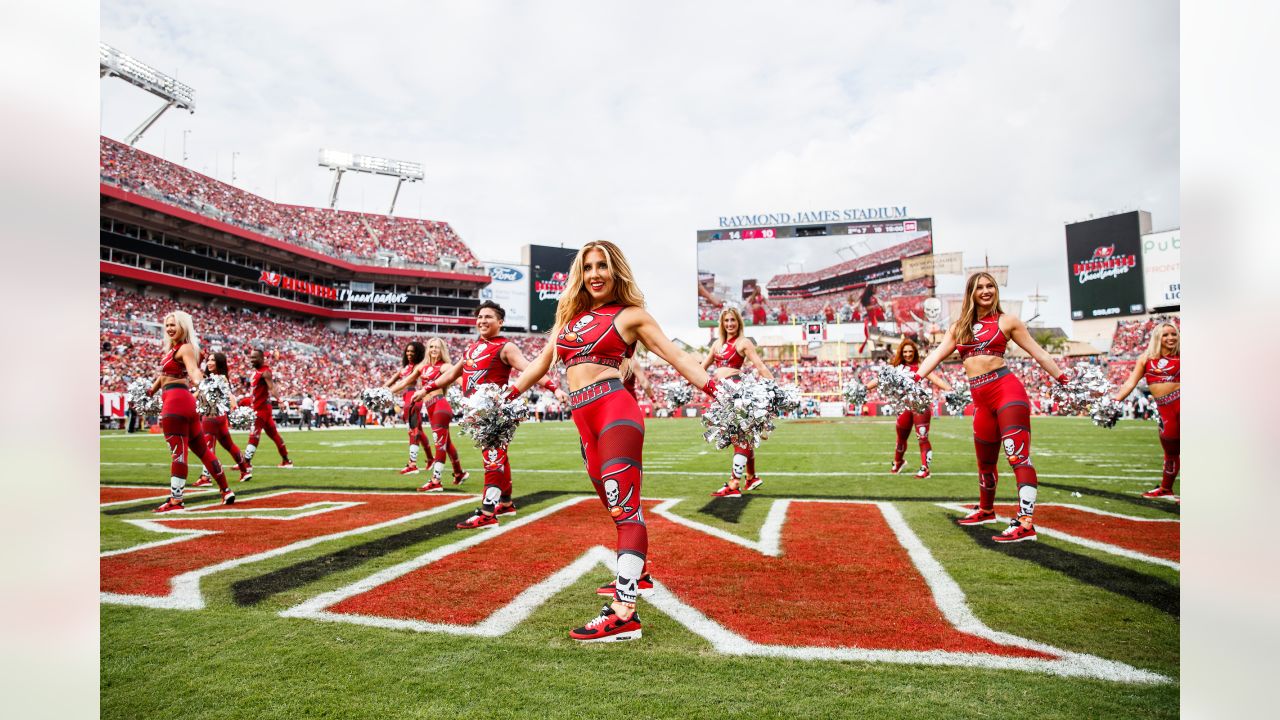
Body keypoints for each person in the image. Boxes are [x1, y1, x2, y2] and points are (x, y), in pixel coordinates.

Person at [510, 240, 723, 642]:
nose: (595, 273)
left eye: (602, 266)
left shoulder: (630, 316)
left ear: (616, 271)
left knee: (626, 509)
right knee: (614, 505)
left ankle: (624, 613)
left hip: (614, 414)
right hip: (583, 422)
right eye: (588, 266)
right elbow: (540, 364)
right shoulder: (568, 321)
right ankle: (638, 573)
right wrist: (505, 397)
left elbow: (676, 357)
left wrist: (717, 389)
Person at [914, 272, 1071, 543]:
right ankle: (986, 510)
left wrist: (1065, 379)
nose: (986, 291)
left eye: (990, 286)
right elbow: (937, 355)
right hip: (981, 402)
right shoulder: (958, 327)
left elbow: (1039, 353)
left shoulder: (1008, 321)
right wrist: (915, 379)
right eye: (980, 288)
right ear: (971, 293)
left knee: (1017, 456)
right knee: (985, 463)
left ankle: (1025, 522)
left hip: (1007, 392)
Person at [417, 301, 565, 527]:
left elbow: (530, 368)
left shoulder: (506, 347)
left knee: (493, 459)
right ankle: (505, 503)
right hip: (477, 414)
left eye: (488, 317)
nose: (482, 321)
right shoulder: (471, 348)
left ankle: (487, 512)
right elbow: (449, 376)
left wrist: (555, 388)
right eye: (479, 317)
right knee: (497, 457)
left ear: (500, 322)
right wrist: (424, 389)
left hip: (495, 412)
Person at [148, 312, 236, 512]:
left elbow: (193, 370)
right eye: (167, 325)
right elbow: (163, 377)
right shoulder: (175, 349)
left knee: (178, 452)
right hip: (186, 403)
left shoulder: (185, 347)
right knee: (203, 450)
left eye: (174, 325)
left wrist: (201, 383)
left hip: (175, 404)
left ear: (184, 327)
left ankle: (176, 500)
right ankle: (226, 490)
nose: (170, 329)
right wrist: (148, 393)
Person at [704, 306, 776, 497]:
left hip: (738, 393)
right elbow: (702, 367)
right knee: (742, 435)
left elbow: (759, 365)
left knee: (740, 437)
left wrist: (774, 387)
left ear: (738, 322)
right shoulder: (716, 345)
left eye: (733, 320)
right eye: (726, 320)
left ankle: (734, 484)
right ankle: (751, 477)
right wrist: (684, 383)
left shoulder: (743, 343)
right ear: (722, 323)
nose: (730, 324)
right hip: (722, 395)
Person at [864, 338, 953, 479]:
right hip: (904, 406)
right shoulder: (896, 368)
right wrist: (864, 388)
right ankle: (898, 462)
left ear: (915, 352)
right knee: (901, 438)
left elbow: (936, 380)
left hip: (920, 406)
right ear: (901, 352)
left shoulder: (922, 366)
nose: (908, 354)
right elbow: (880, 379)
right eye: (905, 351)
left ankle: (925, 468)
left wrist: (951, 390)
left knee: (922, 437)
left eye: (910, 351)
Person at [1112, 322, 1180, 499]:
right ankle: (1166, 489)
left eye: (1174, 334)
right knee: (1170, 452)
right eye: (1166, 335)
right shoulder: (1145, 358)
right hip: (1165, 412)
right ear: (1157, 337)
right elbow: (1130, 382)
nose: (1171, 338)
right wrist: (1115, 400)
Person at [396, 337, 469, 491]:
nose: (433, 350)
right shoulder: (422, 367)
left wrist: (472, 394)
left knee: (440, 445)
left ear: (442, 350)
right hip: (430, 407)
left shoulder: (445, 366)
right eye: (431, 347)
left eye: (437, 347)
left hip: (440, 406)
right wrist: (383, 392)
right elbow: (404, 382)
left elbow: (460, 381)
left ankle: (436, 480)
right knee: (446, 443)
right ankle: (459, 473)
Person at [196, 352, 252, 486]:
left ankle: (206, 477)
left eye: (213, 360)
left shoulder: (216, 379)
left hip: (211, 417)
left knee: (208, 448)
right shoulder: (222, 378)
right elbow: (230, 395)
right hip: (220, 417)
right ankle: (245, 470)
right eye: (208, 360)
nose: (209, 363)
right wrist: (235, 408)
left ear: (219, 363)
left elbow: (200, 394)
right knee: (229, 445)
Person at [384, 341, 430, 476]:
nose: (409, 353)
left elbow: (406, 382)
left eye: (413, 351)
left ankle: (412, 464)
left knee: (413, 431)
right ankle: (430, 459)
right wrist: (378, 392)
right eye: (407, 351)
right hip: (406, 400)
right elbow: (390, 382)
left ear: (418, 353)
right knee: (418, 431)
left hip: (413, 398)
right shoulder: (404, 369)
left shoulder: (419, 367)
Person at [245, 348, 293, 468]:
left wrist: (280, 400)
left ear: (262, 358)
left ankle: (246, 463)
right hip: (261, 408)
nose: (252, 359)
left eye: (255, 357)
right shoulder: (256, 372)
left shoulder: (265, 372)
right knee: (274, 435)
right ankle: (286, 460)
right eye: (251, 357)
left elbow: (272, 387)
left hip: (261, 409)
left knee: (254, 434)